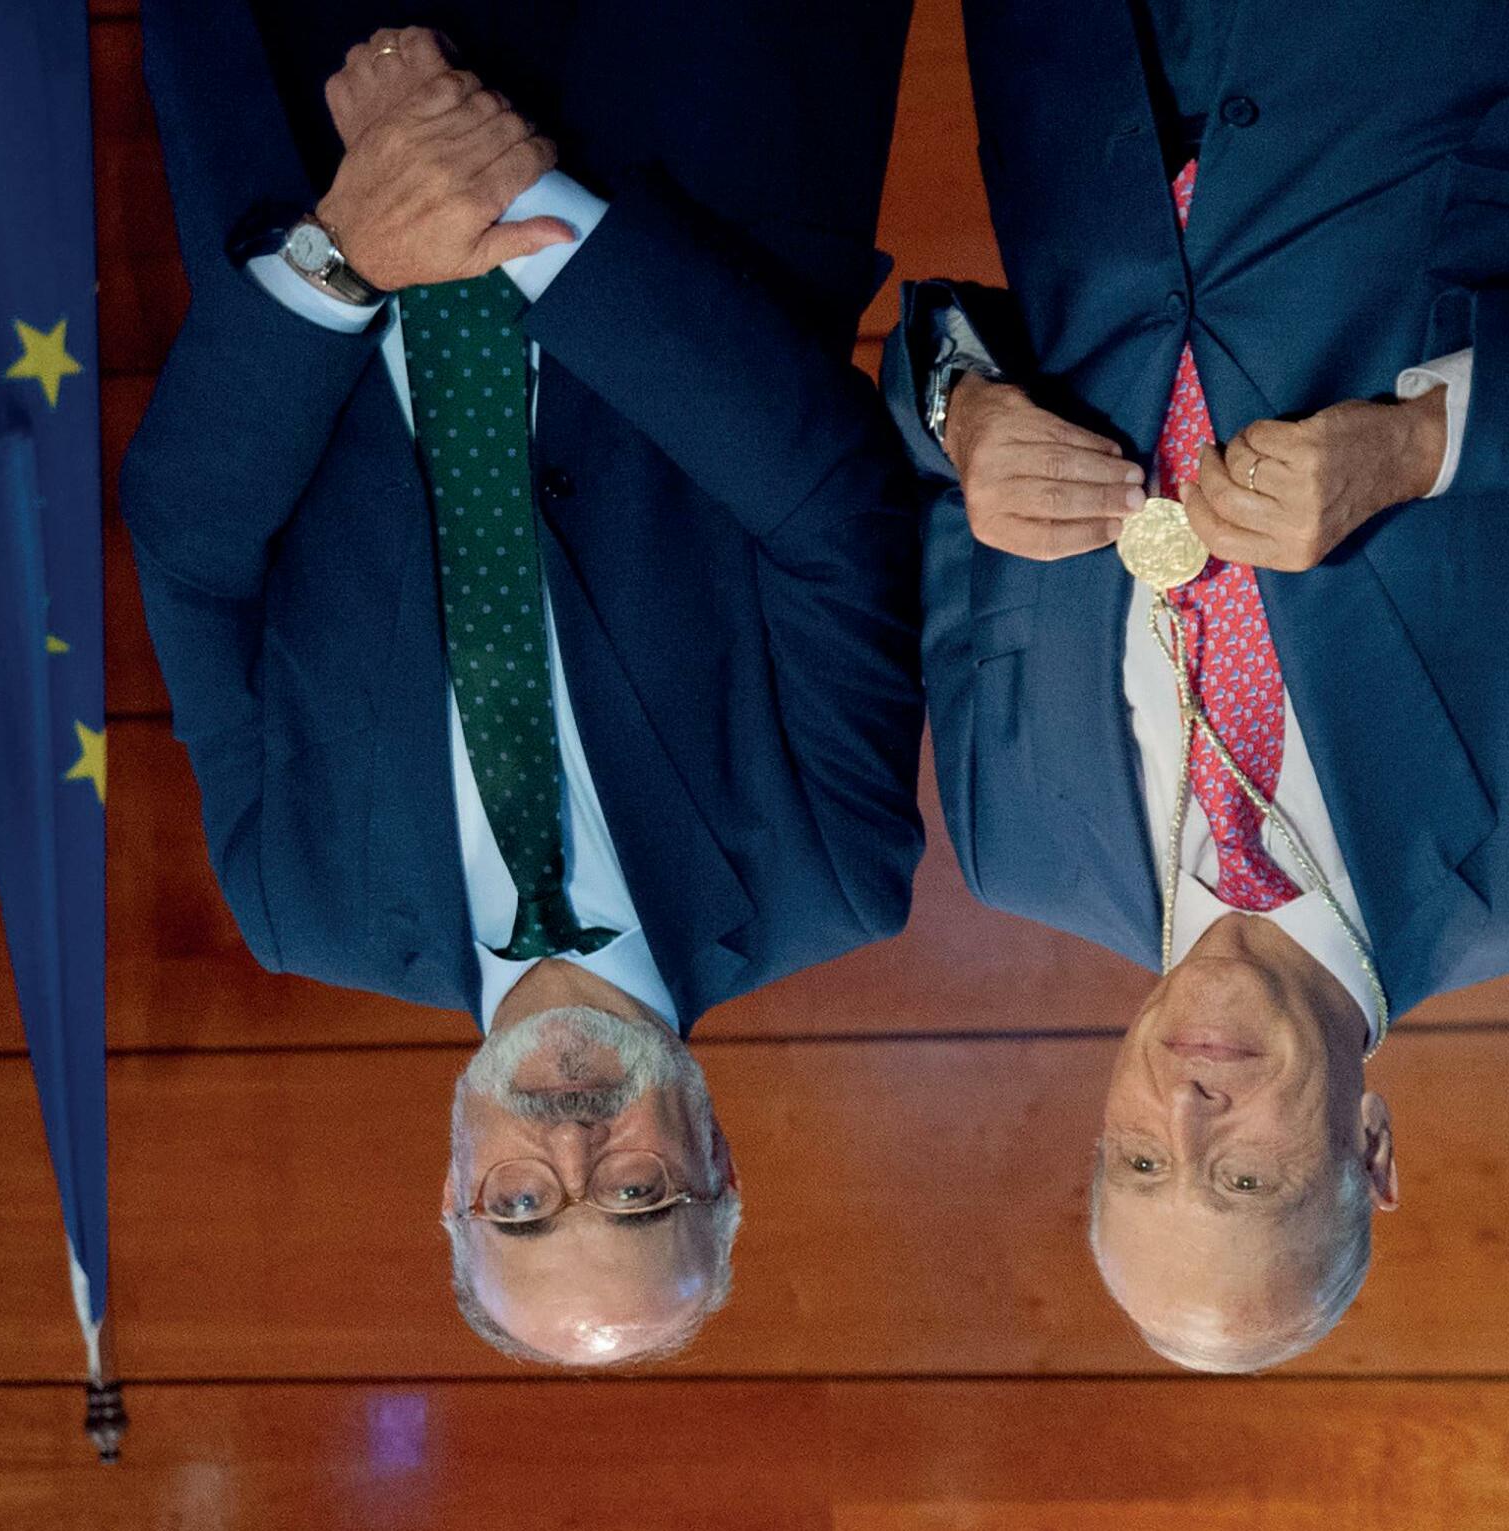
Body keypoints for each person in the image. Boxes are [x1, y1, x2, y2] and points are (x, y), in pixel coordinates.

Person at [886, 0, 1509, 1370]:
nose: (1189, 1114)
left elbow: (931, 414)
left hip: (1079, 66)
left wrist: (961, 418)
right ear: (1371, 1148)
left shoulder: (1012, 844)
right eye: (1246, 1178)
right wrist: (1426, 445)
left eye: (1141, 1164)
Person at [123, 2, 922, 1365]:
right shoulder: (830, 875)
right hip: (687, 107)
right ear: (716, 1159)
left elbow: (192, 553)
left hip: (311, 143)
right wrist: (529, 217)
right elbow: (834, 510)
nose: (572, 1151)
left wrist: (343, 260)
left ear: (455, 1190)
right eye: (636, 1196)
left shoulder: (298, 905)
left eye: (522, 1207)